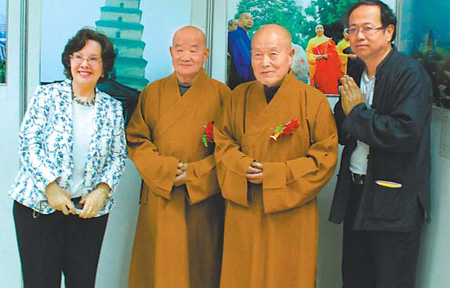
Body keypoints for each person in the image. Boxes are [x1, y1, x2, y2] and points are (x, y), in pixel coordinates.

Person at [215, 24, 338, 287]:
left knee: (287, 276)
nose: (265, 62)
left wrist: (273, 174)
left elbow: (324, 159)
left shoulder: (313, 101)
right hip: (244, 206)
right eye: (257, 55)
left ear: (291, 56)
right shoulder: (238, 97)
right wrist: (242, 165)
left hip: (291, 212)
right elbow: (222, 142)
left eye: (273, 53)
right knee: (242, 275)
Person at [9, 28, 127, 287]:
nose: (85, 64)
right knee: (41, 282)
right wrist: (50, 187)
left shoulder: (113, 108)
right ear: (69, 61)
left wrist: (102, 191)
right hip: (38, 208)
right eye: (78, 56)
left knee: (82, 282)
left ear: (104, 67)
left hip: (88, 212)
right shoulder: (46, 96)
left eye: (94, 58)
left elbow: (119, 155)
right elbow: (28, 144)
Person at [329, 1, 432, 287]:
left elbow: (405, 133)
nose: (359, 36)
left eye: (368, 28)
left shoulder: (410, 74)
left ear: (389, 32)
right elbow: (343, 128)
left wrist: (358, 113)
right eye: (352, 29)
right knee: (355, 276)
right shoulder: (355, 72)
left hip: (394, 201)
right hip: (357, 191)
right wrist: (349, 114)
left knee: (390, 280)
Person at [127, 25, 230, 288]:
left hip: (202, 199)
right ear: (171, 53)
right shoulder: (152, 92)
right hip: (160, 194)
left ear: (205, 54)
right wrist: (165, 169)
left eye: (194, 50)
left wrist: (195, 173)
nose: (186, 56)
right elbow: (137, 139)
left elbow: (231, 148)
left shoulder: (223, 95)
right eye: (180, 49)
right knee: (158, 270)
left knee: (200, 268)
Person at [306, 24, 343, 94]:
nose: (319, 29)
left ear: (323, 30)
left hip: (328, 67)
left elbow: (335, 54)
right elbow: (308, 53)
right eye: (318, 28)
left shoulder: (328, 40)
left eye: (321, 28)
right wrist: (315, 57)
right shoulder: (312, 41)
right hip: (318, 67)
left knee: (329, 83)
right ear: (315, 30)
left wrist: (328, 56)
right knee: (319, 83)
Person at [227, 12, 255, 89]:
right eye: (246, 18)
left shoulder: (248, 38)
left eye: (251, 19)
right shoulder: (234, 35)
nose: (250, 20)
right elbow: (243, 59)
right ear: (239, 21)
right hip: (240, 79)